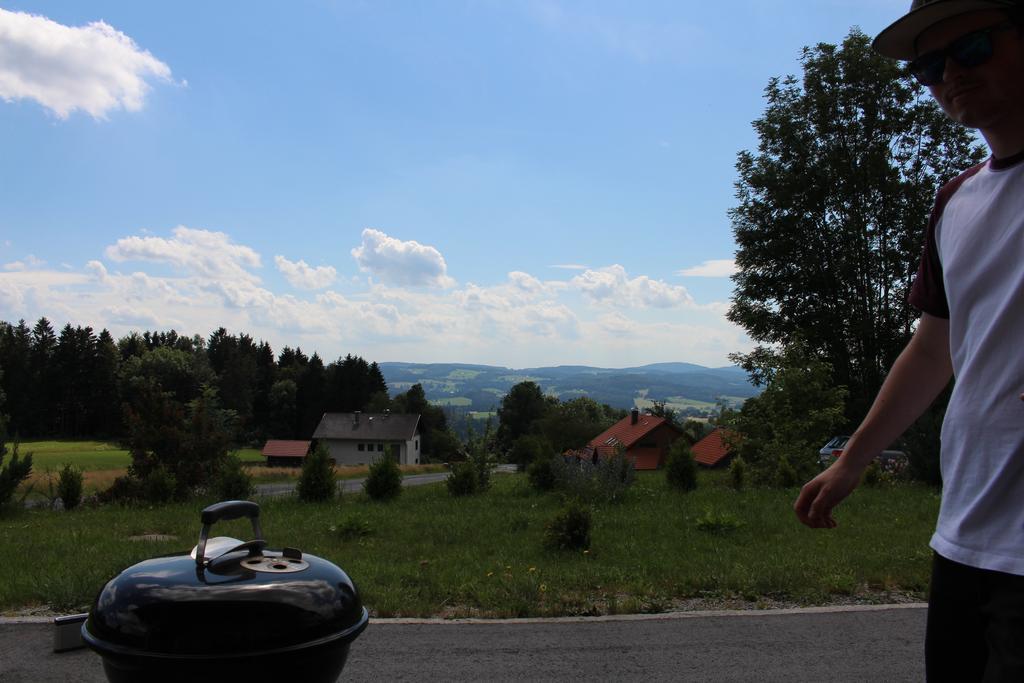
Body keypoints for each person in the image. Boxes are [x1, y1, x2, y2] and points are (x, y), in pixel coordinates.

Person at [793, 0, 1024, 680]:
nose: (949, 72)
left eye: (973, 47)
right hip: (966, 532)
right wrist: (852, 459)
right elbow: (933, 347)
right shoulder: (958, 201)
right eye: (928, 66)